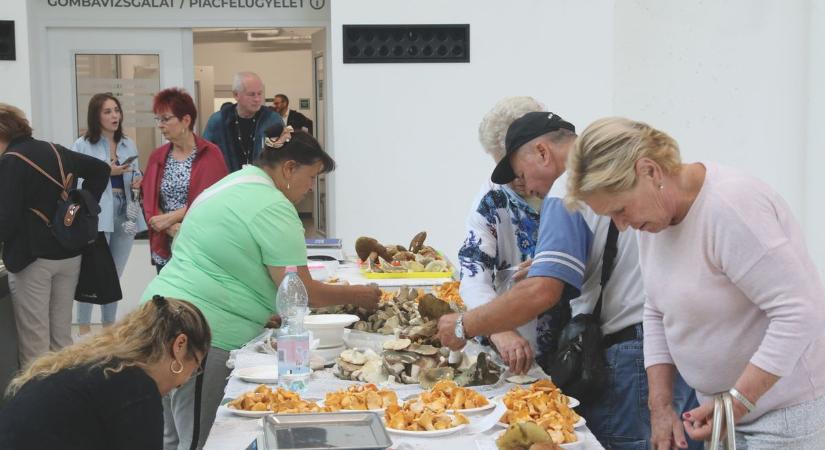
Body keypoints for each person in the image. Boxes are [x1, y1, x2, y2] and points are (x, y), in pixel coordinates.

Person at [437, 111, 698, 450]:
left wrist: (464, 325)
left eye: (520, 174)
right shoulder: (637, 174)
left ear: (543, 153)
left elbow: (541, 293)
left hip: (629, 361)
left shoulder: (567, 189)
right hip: (676, 348)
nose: (527, 187)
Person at [565, 117, 825, 449]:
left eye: (621, 210)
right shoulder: (655, 220)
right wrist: (659, 407)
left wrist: (737, 403)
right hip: (726, 411)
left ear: (650, 171)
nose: (623, 225)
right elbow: (657, 310)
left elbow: (801, 311)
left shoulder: (730, 207)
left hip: (781, 415)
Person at [140, 124, 381, 450]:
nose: (311, 188)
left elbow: (224, 259)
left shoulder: (230, 184)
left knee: (169, 435)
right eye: (312, 177)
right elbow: (302, 291)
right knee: (198, 439)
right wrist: (359, 295)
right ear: (289, 168)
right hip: (200, 332)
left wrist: (260, 308)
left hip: (159, 315)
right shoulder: (273, 205)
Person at [0, 296, 211, 450]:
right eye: (195, 367)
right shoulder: (136, 388)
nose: (183, 383)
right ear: (179, 345)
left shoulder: (93, 365)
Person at [0, 103, 110, 368]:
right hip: (69, 255)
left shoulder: (10, 162)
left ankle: (38, 407)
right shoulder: (54, 150)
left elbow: (7, 220)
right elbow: (101, 170)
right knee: (61, 339)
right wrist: (79, 208)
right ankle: (64, 402)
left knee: (34, 344)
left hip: (32, 260)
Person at [457, 96, 545, 375]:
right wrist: (498, 328)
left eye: (517, 167)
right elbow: (473, 273)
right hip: (520, 344)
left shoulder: (572, 189)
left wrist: (555, 266)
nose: (514, 179)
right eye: (502, 168)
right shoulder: (491, 199)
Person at [72, 93, 147, 335]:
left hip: (126, 210)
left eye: (116, 110)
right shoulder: (82, 145)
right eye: (107, 111)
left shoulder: (128, 143)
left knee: (113, 275)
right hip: (97, 213)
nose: (114, 115)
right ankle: (83, 328)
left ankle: (108, 329)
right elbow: (74, 181)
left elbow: (134, 173)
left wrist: (137, 179)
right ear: (96, 116)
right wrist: (106, 170)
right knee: (91, 271)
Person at [141, 88, 228, 273]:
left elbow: (214, 201)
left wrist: (171, 219)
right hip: (166, 244)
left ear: (186, 120)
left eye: (165, 119)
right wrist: (169, 228)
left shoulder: (210, 154)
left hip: (201, 245)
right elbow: (149, 200)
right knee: (167, 300)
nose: (160, 125)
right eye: (158, 119)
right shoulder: (158, 157)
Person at [202, 72, 284, 172]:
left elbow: (284, 156)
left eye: (260, 93)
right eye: (251, 94)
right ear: (236, 95)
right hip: (230, 183)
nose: (257, 99)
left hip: (263, 183)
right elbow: (205, 156)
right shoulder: (219, 121)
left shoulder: (273, 120)